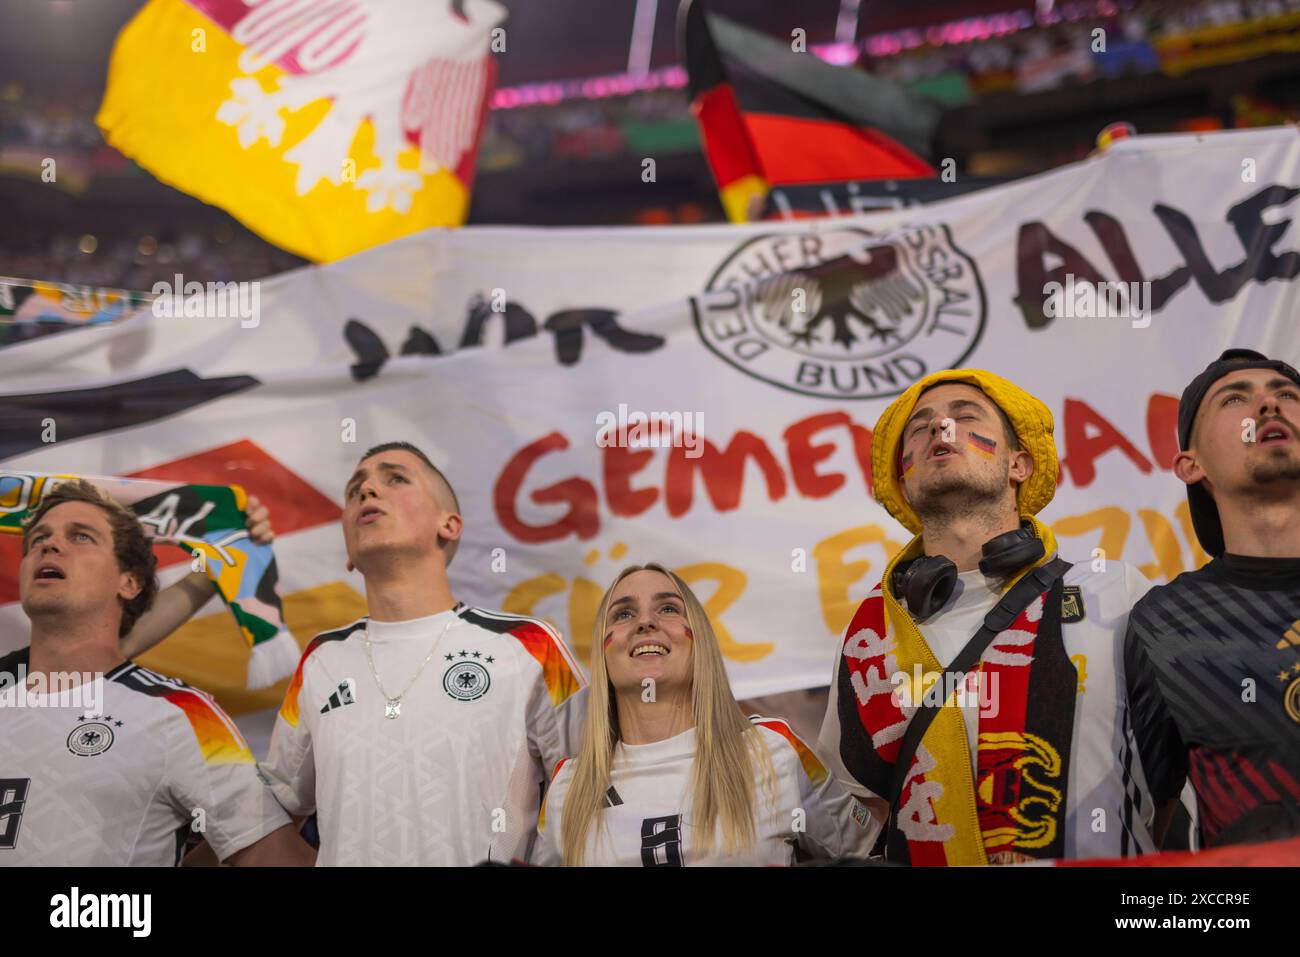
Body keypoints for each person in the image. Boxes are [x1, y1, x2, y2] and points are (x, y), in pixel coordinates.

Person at [818, 369, 1158, 864]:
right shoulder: (871, 634)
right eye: (920, 427)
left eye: (964, 416)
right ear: (905, 482)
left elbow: (1181, 769)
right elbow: (856, 815)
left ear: (1019, 463)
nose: (940, 429)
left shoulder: (1112, 590)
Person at [259, 441, 587, 865]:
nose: (368, 491)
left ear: (449, 525)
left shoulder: (531, 645)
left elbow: (597, 782)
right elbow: (265, 811)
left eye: (395, 478)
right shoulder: (321, 661)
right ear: (348, 552)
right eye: (354, 489)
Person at [0, 480, 310, 866]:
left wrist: (224, 553)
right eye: (37, 540)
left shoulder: (183, 713)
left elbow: (275, 857)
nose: (49, 544)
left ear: (128, 582)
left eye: (81, 537)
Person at [534, 562, 874, 866]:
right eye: (623, 614)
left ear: (701, 643)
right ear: (602, 654)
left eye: (668, 608)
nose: (645, 622)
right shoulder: (567, 788)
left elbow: (868, 849)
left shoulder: (775, 751)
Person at [1126, 348, 1300, 848]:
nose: (1269, 407)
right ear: (1190, 465)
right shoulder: (1165, 623)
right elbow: (1149, 829)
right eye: (1235, 399)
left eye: (1286, 394)